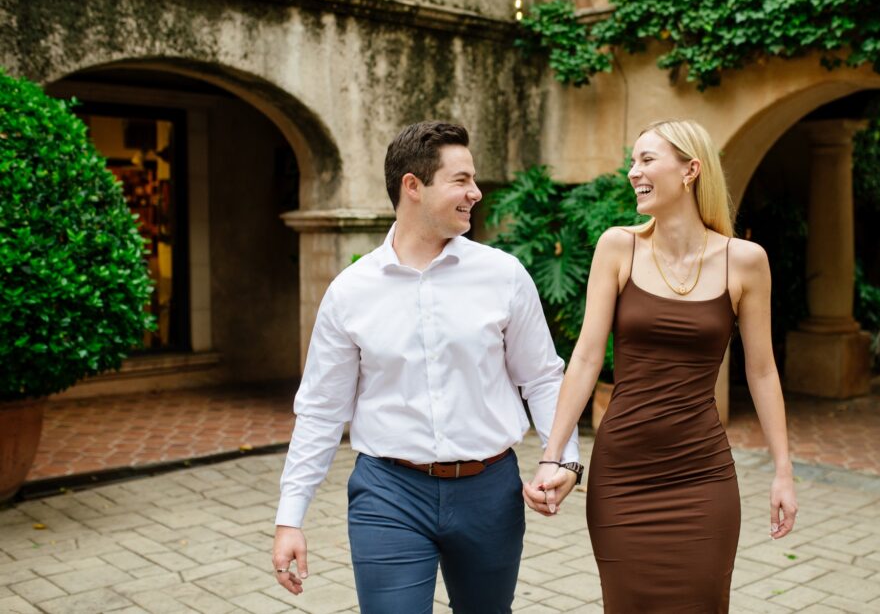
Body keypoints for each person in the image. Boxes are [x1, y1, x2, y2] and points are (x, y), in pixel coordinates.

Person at [271, 121, 580, 614]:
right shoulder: (350, 292)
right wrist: (291, 517)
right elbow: (321, 411)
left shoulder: (503, 275)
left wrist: (562, 456)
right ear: (412, 185)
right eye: (461, 180)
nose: (475, 193)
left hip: (490, 491)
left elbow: (541, 376)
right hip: (388, 494)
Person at [524, 120, 798, 612]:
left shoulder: (746, 261)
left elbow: (761, 371)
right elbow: (586, 357)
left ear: (691, 170)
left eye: (647, 160)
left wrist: (783, 471)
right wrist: (553, 455)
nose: (633, 172)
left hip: (702, 476)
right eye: (633, 161)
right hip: (622, 476)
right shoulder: (617, 247)